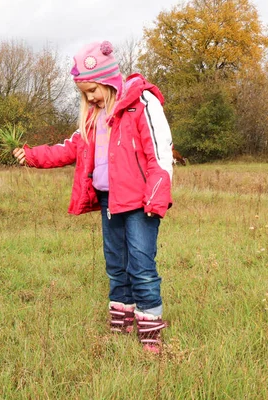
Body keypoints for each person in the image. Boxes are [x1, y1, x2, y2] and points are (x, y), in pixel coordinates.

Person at [12, 41, 173, 353]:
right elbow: (69, 148)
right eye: (84, 93)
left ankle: (150, 333)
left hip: (141, 203)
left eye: (92, 91)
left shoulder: (141, 103)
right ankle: (122, 323)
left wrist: (156, 197)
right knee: (116, 264)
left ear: (108, 81)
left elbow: (159, 153)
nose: (89, 98)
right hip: (108, 201)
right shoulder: (93, 117)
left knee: (141, 265)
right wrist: (31, 156)